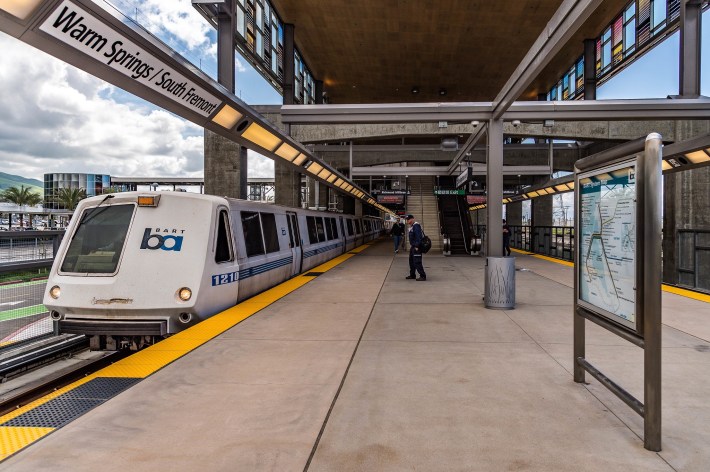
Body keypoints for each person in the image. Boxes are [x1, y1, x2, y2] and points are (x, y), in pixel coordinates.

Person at [405, 214, 426, 281]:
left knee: (417, 261)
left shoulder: (416, 226)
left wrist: (417, 246)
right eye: (407, 220)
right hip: (413, 246)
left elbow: (418, 237)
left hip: (417, 247)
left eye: (408, 219)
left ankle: (423, 276)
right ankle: (412, 275)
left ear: (412, 219)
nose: (407, 221)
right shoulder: (412, 226)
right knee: (411, 261)